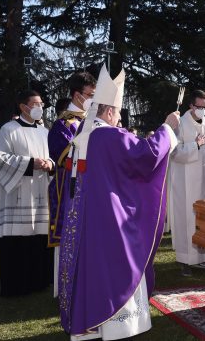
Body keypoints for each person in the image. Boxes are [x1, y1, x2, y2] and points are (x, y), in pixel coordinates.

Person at [58, 64, 179, 340]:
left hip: (87, 217)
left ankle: (89, 323)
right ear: (110, 111)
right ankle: (117, 324)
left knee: (91, 269)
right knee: (115, 268)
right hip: (111, 219)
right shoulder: (109, 136)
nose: (118, 117)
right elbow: (145, 156)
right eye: (118, 112)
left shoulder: (83, 137)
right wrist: (168, 128)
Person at [0, 89, 55, 297]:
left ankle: (40, 280)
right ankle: (17, 284)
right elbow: (0, 159)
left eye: (41, 104)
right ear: (23, 107)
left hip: (41, 189)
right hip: (19, 193)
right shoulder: (8, 129)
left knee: (39, 237)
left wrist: (50, 163)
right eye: (36, 104)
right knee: (19, 239)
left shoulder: (44, 131)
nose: (40, 107)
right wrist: (30, 163)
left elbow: (55, 156)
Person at [48, 71, 96, 297]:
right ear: (78, 95)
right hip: (70, 189)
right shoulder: (62, 124)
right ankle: (66, 287)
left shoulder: (93, 120)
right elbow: (61, 157)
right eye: (90, 94)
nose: (93, 98)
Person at [169, 89, 205, 277]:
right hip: (186, 182)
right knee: (187, 219)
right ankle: (185, 260)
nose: (202, 110)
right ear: (191, 105)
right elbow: (174, 151)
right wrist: (196, 145)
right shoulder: (180, 123)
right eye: (199, 106)